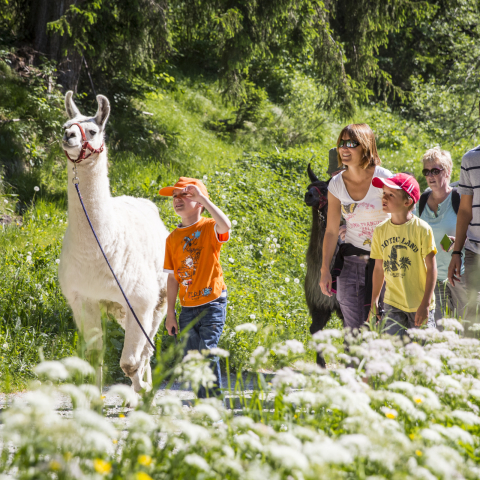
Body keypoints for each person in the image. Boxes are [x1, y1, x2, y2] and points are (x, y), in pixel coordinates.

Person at [160, 177, 231, 398]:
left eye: (184, 195)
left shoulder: (209, 227)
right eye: (175, 196)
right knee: (192, 357)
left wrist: (202, 198)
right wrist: (170, 312)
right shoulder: (172, 238)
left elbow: (226, 226)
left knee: (207, 352)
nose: (177, 199)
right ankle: (203, 403)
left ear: (200, 202)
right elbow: (172, 278)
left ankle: (213, 405)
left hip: (213, 303)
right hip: (188, 306)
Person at [320, 124, 393, 331]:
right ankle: (355, 364)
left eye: (351, 143)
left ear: (366, 146)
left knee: (383, 327)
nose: (344, 148)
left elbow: (400, 218)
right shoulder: (335, 184)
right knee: (353, 329)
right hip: (351, 263)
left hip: (385, 262)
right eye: (341, 143)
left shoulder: (384, 178)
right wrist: (325, 269)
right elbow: (332, 231)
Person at [370, 173, 437, 336]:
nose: (384, 197)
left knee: (422, 353)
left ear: (407, 202)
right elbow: (379, 269)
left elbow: (431, 269)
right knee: (394, 352)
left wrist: (426, 304)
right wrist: (374, 299)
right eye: (384, 193)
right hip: (393, 303)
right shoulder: (380, 230)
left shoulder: (422, 229)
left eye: (391, 194)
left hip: (419, 303)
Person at [418, 147, 467, 322]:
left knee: (466, 326)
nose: (430, 175)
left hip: (460, 274)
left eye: (435, 170)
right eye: (426, 171)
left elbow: (475, 232)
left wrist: (460, 243)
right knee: (436, 329)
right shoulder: (420, 202)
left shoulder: (460, 199)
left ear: (447, 172)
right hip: (431, 277)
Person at [448, 145, 480, 333]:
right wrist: (456, 252)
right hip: (474, 252)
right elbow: (465, 210)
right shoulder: (470, 159)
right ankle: (470, 361)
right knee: (473, 315)